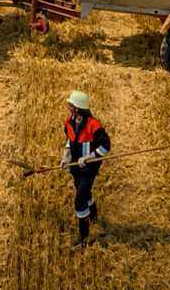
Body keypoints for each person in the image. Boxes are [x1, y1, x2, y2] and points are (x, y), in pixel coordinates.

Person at [60, 90, 111, 246]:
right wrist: (66, 157)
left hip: (89, 167)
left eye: (71, 104)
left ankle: (84, 235)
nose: (68, 106)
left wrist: (88, 158)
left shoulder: (93, 125)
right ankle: (94, 215)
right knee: (83, 191)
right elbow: (69, 139)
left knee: (80, 199)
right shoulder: (69, 121)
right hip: (75, 166)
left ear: (78, 108)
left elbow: (105, 146)